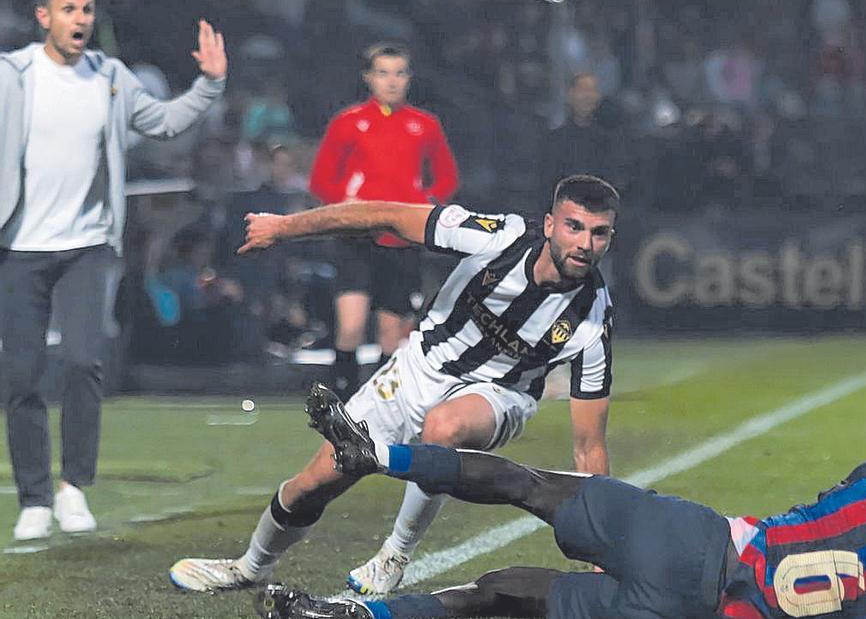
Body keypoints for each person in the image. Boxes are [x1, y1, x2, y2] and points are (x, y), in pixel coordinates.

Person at [253, 384, 866, 619]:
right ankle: (351, 618)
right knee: (502, 597)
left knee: (527, 484)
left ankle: (375, 452)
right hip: (687, 615)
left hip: (692, 542)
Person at [170, 174, 619, 596]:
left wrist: (604, 549)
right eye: (574, 227)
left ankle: (394, 556)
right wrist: (284, 227)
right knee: (315, 482)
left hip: (499, 395)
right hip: (416, 370)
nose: (584, 244)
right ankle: (249, 567)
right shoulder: (496, 237)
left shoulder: (592, 321)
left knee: (444, 428)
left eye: (598, 233)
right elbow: (382, 215)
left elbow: (589, 447)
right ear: (549, 224)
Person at [0, 0, 227, 541]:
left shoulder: (110, 77)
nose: (80, 19)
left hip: (87, 245)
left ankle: (73, 487)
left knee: (82, 360)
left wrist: (209, 85)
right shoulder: (12, 76)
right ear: (43, 16)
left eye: (87, 10)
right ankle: (33, 497)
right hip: (19, 247)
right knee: (22, 373)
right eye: (69, 9)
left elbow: (165, 122)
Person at [308, 43, 459, 402]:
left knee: (393, 334)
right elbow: (321, 180)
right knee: (352, 325)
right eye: (383, 73)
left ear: (408, 78)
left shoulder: (424, 125)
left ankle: (381, 407)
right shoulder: (349, 122)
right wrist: (345, 204)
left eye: (399, 73)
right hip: (355, 239)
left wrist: (422, 207)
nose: (391, 81)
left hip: (401, 242)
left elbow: (446, 179)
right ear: (368, 78)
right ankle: (339, 404)